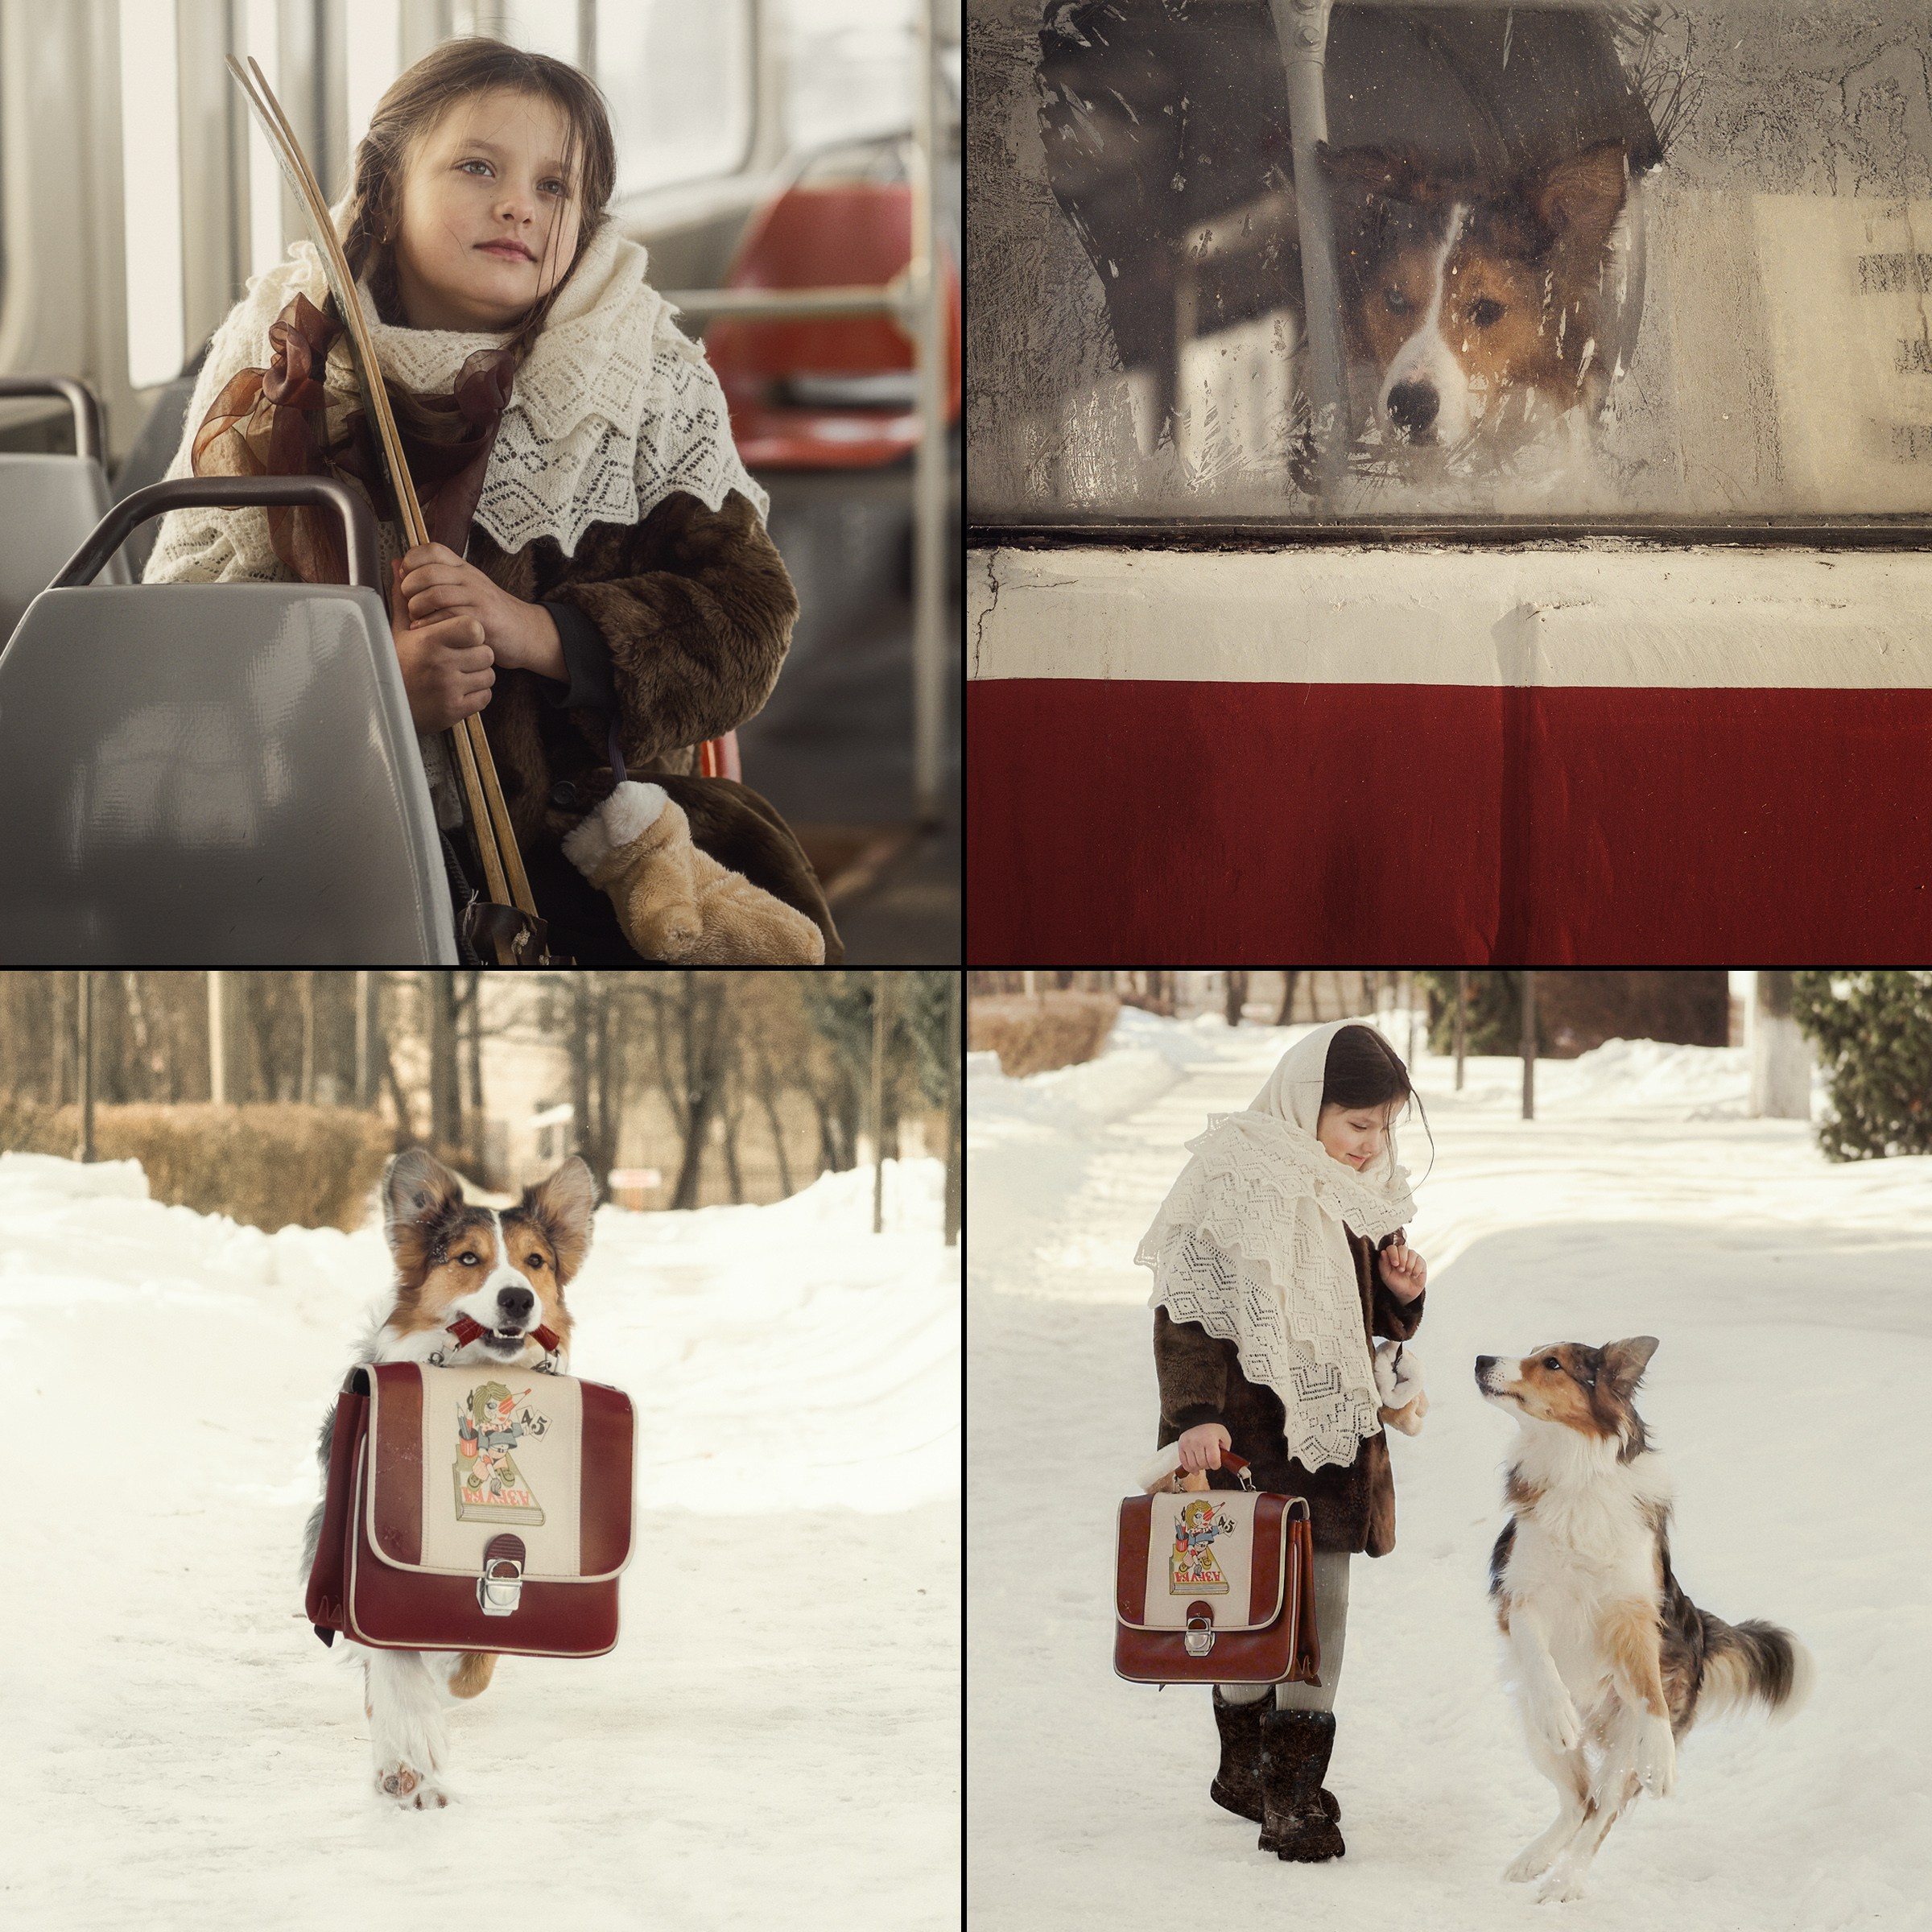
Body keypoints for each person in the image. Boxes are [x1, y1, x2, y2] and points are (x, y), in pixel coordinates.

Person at [143, 37, 836, 963]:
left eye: (557, 187)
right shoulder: (279, 356)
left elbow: (749, 624)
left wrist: (539, 632)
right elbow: (176, 655)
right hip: (322, 819)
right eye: (478, 167)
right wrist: (377, 693)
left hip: (594, 843)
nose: (519, 204)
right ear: (386, 194)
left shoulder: (646, 373)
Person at [1137, 1019, 1429, 1863]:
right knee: (1247, 1613)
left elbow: (1357, 1323)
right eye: (1357, 1124)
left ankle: (1294, 1794)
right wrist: (1194, 1416)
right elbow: (1187, 1309)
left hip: (1333, 1445)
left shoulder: (1360, 1194)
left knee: (1321, 1615)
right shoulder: (1231, 1178)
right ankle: (1244, 1766)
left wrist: (1398, 1294)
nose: (1373, 1146)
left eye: (1385, 1126)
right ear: (1309, 1107)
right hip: (1248, 1442)